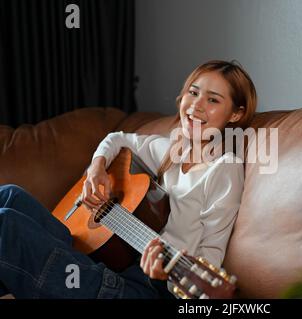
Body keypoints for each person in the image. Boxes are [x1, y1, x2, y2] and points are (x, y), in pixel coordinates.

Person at [0, 60, 257, 298]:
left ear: (235, 114)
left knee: (6, 224)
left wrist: (168, 275)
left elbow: (211, 255)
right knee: (10, 194)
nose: (197, 105)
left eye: (213, 100)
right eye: (193, 92)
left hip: (140, 288)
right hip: (109, 260)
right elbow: (117, 138)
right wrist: (96, 169)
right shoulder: (169, 149)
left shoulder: (225, 169)